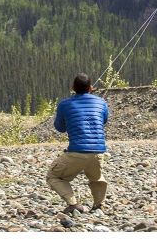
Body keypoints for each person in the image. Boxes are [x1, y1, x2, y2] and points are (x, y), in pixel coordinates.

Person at [46, 73, 109, 214]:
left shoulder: (64, 104)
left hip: (76, 152)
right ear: (90, 87)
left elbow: (60, 128)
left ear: (73, 87)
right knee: (97, 178)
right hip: (98, 152)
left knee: (53, 176)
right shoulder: (101, 102)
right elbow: (104, 121)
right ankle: (98, 205)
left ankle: (73, 204)